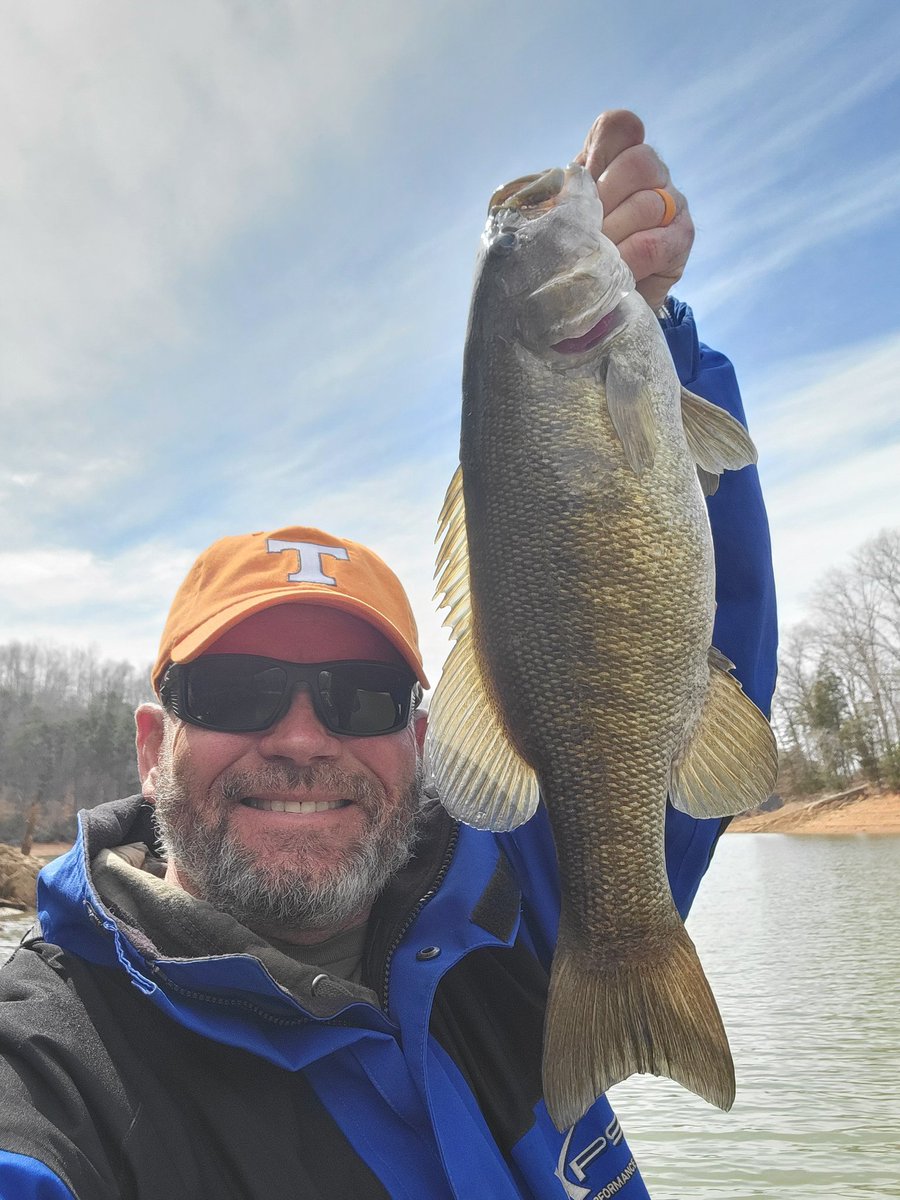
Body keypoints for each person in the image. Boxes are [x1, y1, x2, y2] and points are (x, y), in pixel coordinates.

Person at [0, 111, 777, 1200]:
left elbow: (695, 625)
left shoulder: (516, 914)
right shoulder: (56, 1069)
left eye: (362, 695)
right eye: (236, 689)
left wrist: (658, 338)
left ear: (424, 738)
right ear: (148, 743)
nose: (303, 735)